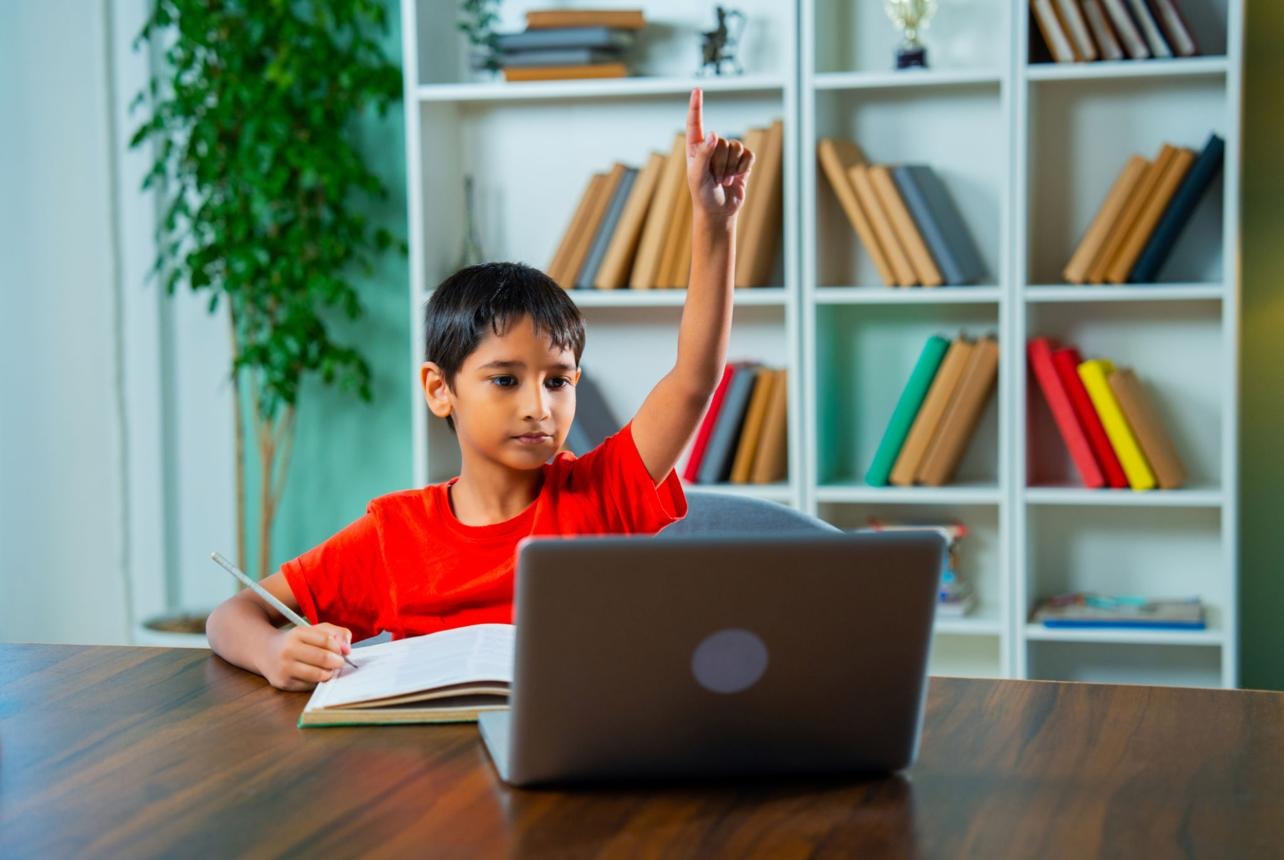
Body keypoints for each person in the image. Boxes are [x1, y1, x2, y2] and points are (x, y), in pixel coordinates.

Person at [206, 88, 755, 691]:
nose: (538, 407)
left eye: (558, 381)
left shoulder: (602, 495)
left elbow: (694, 379)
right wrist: (273, 651)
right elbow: (232, 616)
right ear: (440, 390)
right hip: (433, 773)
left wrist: (715, 223)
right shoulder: (393, 535)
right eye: (504, 379)